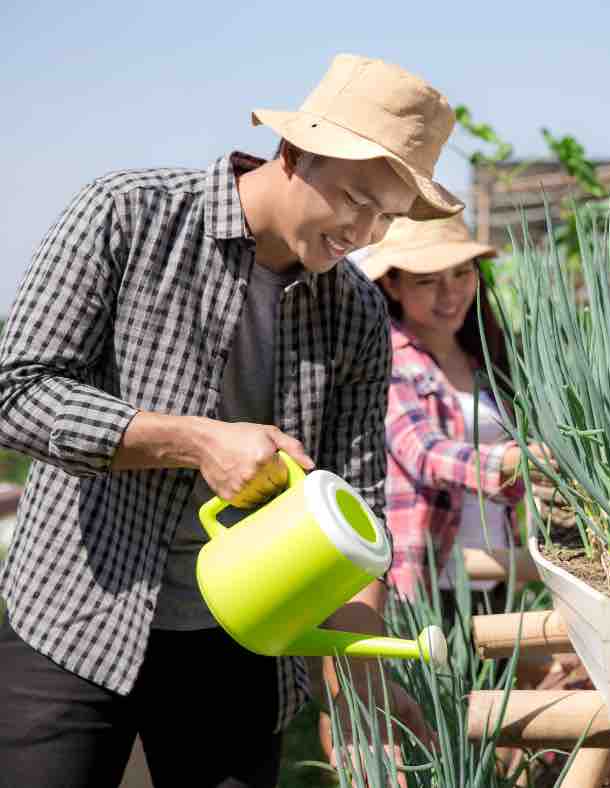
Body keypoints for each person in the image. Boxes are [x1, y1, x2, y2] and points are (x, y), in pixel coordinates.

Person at [0, 53, 460, 788]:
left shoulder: (358, 310)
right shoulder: (128, 215)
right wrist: (194, 440)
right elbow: (15, 392)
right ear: (294, 151)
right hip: (75, 614)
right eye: (352, 197)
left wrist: (355, 666)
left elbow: (356, 505)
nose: (363, 231)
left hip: (244, 639)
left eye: (386, 216)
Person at [357, 214, 550, 609]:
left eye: (462, 274)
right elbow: (424, 453)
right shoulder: (387, 357)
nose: (450, 294)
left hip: (495, 576)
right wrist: (520, 460)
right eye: (427, 281)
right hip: (428, 582)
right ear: (392, 284)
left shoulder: (487, 358)